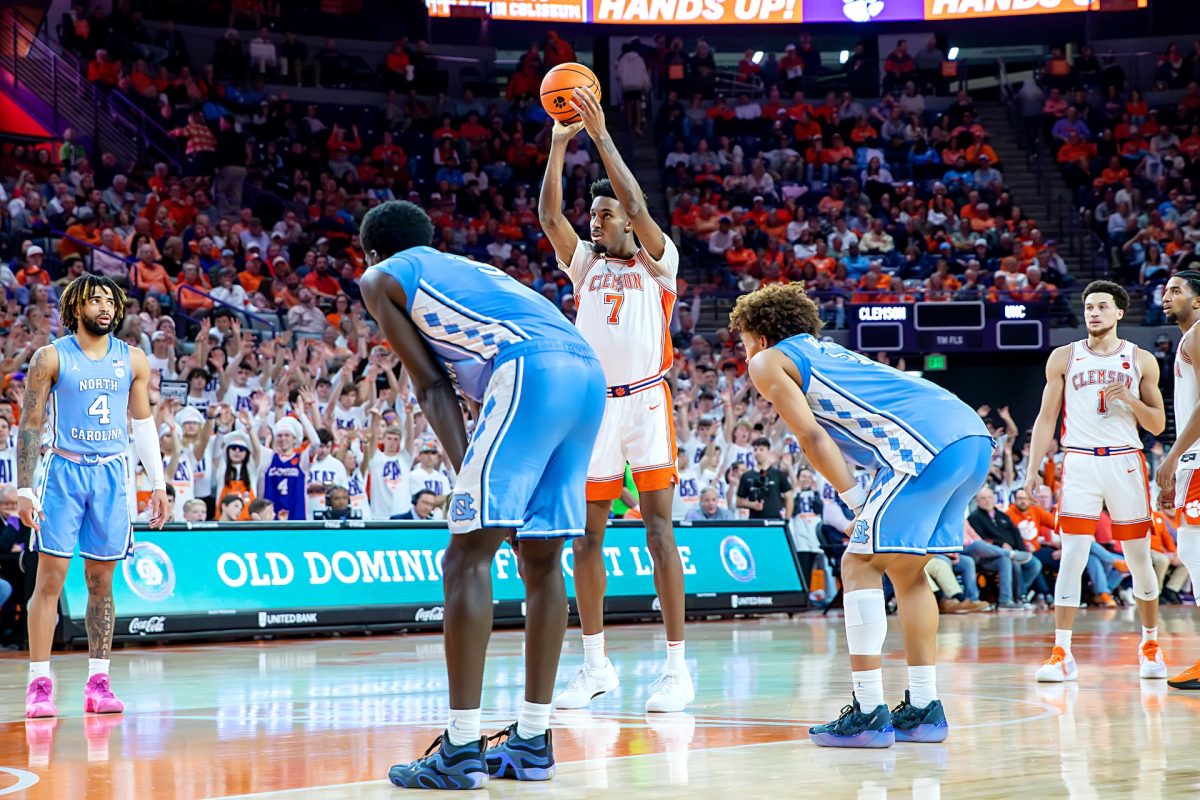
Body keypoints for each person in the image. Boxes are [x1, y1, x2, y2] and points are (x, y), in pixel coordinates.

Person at [358, 200, 605, 789]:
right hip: (587, 374)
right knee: (541, 558)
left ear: (371, 253)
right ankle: (533, 739)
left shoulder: (381, 277)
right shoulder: (464, 269)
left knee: (466, 552)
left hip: (529, 370)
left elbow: (431, 386)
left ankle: (461, 747)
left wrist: (469, 472)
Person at [730, 282, 992, 748]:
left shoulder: (767, 361)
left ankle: (870, 711)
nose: (742, 348)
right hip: (971, 439)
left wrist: (853, 501)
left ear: (761, 334)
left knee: (857, 564)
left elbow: (811, 437)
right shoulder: (826, 351)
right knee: (908, 575)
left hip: (923, 447)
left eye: (743, 337)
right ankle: (924, 709)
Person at [540, 86, 694, 714]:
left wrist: (602, 137)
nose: (595, 222)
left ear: (630, 222)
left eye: (603, 216)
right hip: (594, 410)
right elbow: (551, 218)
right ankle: (595, 664)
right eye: (595, 216)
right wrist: (558, 147)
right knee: (586, 539)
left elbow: (631, 197)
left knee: (660, 532)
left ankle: (677, 668)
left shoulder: (662, 263)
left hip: (648, 404)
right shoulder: (585, 265)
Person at [16, 275, 170, 718]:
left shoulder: (133, 359)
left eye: (109, 301)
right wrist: (25, 487)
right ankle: (39, 683)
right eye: (95, 300)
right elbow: (29, 424)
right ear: (75, 308)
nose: (105, 307)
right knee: (50, 581)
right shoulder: (51, 357)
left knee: (102, 584)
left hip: (111, 476)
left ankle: (98, 681)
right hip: (62, 471)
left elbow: (142, 426)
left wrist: (156, 483)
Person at [1025, 281, 1167, 683]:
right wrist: (1032, 469)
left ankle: (1150, 643)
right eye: (1089, 307)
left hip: (1125, 461)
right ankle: (1061, 652)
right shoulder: (1063, 358)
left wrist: (1129, 399)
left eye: (1102, 306)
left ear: (1120, 313)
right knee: (1072, 556)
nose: (1094, 313)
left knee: (1139, 558)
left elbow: (1156, 423)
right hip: (1079, 463)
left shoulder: (1141, 360)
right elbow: (1045, 418)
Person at [1154, 271, 1200, 689]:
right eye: (1165, 290)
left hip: (1199, 459)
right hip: (1193, 461)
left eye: (1176, 291)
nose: (1166, 296)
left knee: (1194, 547)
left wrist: (1171, 458)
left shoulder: (1198, 334)